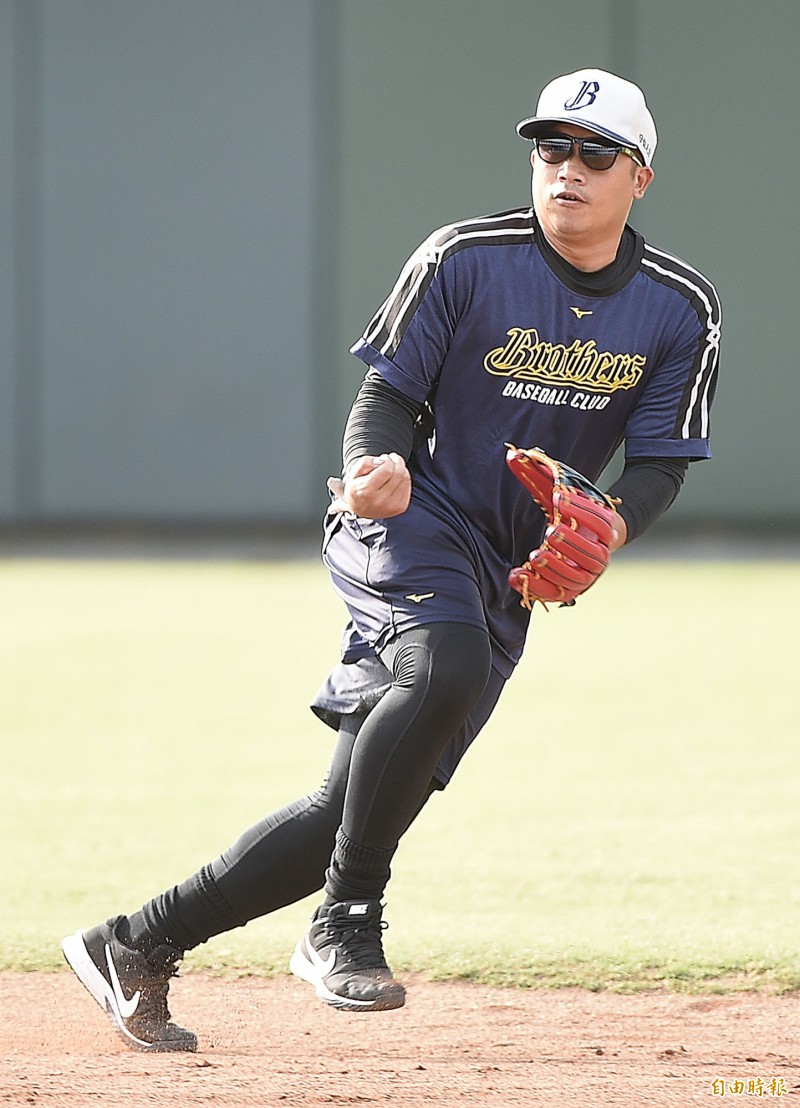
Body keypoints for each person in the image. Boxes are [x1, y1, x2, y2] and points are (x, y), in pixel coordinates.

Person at [62, 67, 721, 1052]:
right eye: (549, 149)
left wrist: (615, 521)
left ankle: (134, 942)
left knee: (352, 803)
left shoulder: (677, 308)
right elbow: (386, 400)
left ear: (639, 179)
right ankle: (343, 922)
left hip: (507, 570)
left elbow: (661, 462)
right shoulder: (463, 258)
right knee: (441, 667)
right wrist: (369, 470)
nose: (566, 170)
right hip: (409, 521)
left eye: (593, 154)